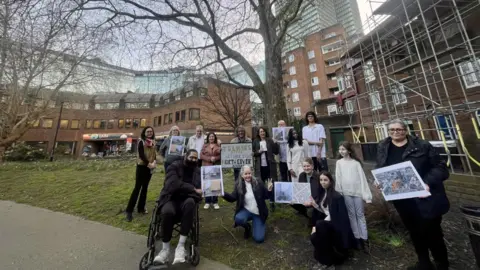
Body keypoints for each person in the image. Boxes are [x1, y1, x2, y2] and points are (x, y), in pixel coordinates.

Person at [376, 119, 450, 270]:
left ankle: (442, 264)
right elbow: (380, 166)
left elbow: (441, 168)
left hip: (425, 198)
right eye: (392, 130)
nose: (395, 132)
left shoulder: (422, 145)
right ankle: (424, 263)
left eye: (399, 129)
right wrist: (379, 180)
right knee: (414, 232)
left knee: (433, 233)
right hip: (402, 199)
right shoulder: (383, 146)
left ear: (406, 130)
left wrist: (427, 183)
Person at [154, 149, 203, 265]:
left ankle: (180, 247)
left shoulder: (198, 171)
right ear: (185, 156)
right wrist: (193, 189)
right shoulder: (174, 166)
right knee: (167, 211)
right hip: (171, 198)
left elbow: (202, 187)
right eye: (191, 157)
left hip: (187, 201)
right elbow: (172, 184)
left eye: (196, 158)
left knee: (191, 203)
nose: (193, 160)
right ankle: (165, 249)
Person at [309, 171, 354, 269]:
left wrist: (318, 226)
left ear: (330, 181)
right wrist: (315, 205)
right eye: (321, 180)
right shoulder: (322, 194)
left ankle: (326, 262)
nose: (323, 182)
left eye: (325, 180)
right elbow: (324, 210)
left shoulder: (337, 196)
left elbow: (339, 217)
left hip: (335, 225)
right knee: (314, 238)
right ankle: (322, 259)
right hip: (326, 224)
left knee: (319, 224)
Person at [335, 141, 372, 251]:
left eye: (343, 149)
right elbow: (338, 177)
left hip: (357, 192)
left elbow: (362, 179)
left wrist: (366, 195)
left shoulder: (356, 163)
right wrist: (339, 191)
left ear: (349, 150)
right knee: (352, 215)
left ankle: (364, 238)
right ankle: (356, 238)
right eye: (340, 149)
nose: (341, 151)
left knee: (360, 215)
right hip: (346, 193)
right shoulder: (339, 163)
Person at [223, 165, 273, 243]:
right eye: (245, 174)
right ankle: (247, 227)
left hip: (258, 213)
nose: (248, 175)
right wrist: (223, 193)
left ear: (252, 173)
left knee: (259, 239)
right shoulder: (239, 185)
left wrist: (269, 190)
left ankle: (257, 224)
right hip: (247, 211)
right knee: (238, 219)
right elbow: (232, 198)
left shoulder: (258, 182)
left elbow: (266, 196)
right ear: (242, 175)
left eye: (249, 173)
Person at [125, 126, 157, 222]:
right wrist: (149, 164)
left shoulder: (153, 142)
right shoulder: (141, 141)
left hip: (150, 167)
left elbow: (154, 154)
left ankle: (141, 208)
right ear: (144, 132)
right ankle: (129, 211)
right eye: (148, 131)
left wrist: (154, 161)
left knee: (145, 188)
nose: (150, 133)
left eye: (151, 131)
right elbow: (141, 155)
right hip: (142, 167)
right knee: (137, 188)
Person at [253, 127, 279, 212]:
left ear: (265, 132)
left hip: (269, 166)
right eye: (260, 131)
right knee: (260, 185)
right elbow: (252, 153)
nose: (262, 133)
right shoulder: (256, 141)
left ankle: (272, 202)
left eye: (263, 131)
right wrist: (258, 152)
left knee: (270, 185)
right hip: (259, 167)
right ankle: (261, 203)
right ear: (258, 133)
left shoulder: (270, 140)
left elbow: (276, 152)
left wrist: (276, 143)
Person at [291, 158, 320, 223]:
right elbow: (300, 189)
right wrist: (295, 198)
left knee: (311, 211)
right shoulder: (301, 175)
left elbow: (320, 193)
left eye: (308, 166)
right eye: (304, 166)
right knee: (291, 201)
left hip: (316, 201)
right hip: (305, 199)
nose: (306, 168)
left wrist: (312, 202)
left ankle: (312, 220)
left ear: (312, 166)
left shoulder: (318, 176)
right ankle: (306, 214)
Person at [201, 132, 222, 210]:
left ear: (215, 138)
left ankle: (215, 202)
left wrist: (215, 158)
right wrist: (209, 159)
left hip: (215, 167)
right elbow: (201, 155)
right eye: (210, 137)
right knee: (207, 184)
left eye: (213, 137)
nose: (211, 138)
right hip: (206, 166)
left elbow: (221, 155)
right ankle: (207, 202)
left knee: (215, 184)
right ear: (208, 138)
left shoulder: (218, 145)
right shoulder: (204, 146)